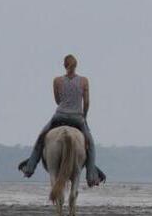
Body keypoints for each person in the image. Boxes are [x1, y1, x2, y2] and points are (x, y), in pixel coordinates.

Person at [18, 54, 104, 186]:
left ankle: (29, 168)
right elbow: (86, 102)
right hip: (77, 118)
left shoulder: (57, 81)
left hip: (59, 116)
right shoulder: (84, 81)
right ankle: (91, 176)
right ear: (76, 66)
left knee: (41, 138)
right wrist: (84, 117)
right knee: (90, 145)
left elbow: (57, 100)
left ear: (64, 66)